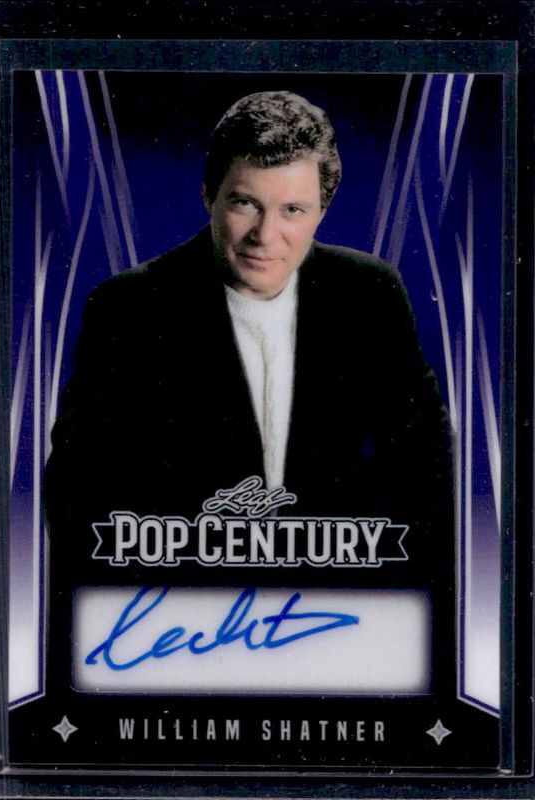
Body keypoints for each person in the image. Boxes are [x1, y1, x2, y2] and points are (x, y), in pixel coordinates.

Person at [44, 92, 454, 662]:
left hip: (344, 616)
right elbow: (77, 495)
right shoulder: (129, 307)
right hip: (178, 626)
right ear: (208, 195)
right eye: (245, 203)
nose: (266, 234)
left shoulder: (371, 294)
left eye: (293, 210)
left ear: (322, 211)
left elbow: (429, 469)